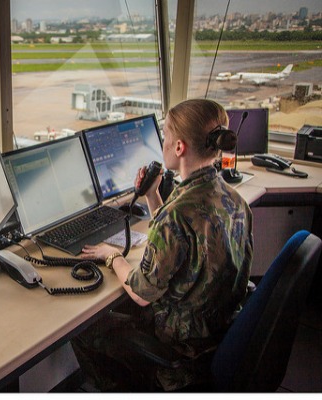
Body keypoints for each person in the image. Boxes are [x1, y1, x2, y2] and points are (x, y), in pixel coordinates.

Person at [72, 98, 253, 391]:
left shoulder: (176, 214)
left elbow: (142, 294)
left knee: (83, 328)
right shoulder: (235, 200)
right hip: (219, 330)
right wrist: (152, 195)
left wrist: (112, 256)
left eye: (166, 137)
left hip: (184, 349)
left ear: (179, 147)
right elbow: (183, 237)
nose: (163, 143)